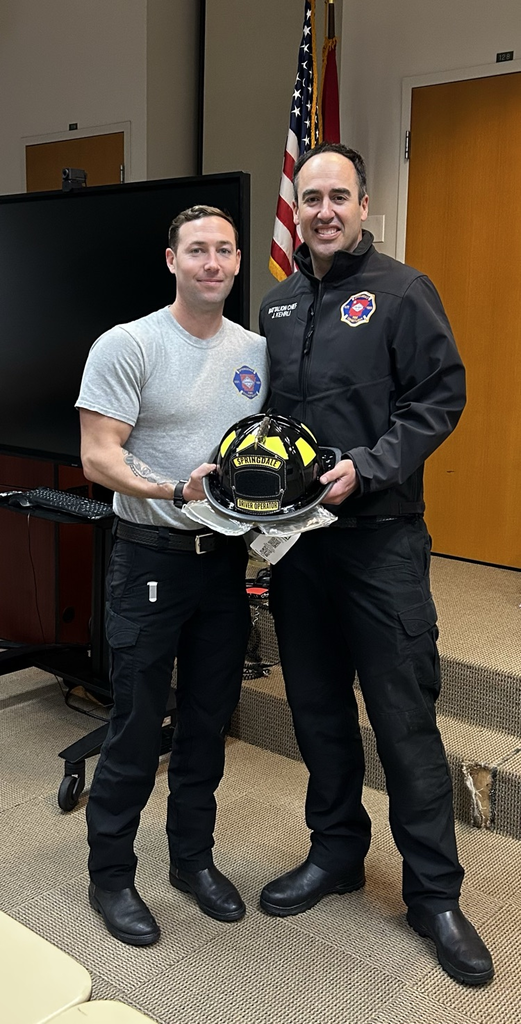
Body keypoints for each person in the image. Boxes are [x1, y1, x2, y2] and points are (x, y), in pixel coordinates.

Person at [258, 142, 493, 986]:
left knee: (402, 721)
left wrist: (371, 465)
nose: (323, 211)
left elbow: (438, 396)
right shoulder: (277, 305)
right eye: (310, 197)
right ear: (297, 209)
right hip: (300, 546)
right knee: (317, 711)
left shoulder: (402, 291)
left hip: (380, 542)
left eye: (338, 197)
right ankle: (335, 853)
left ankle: (433, 896)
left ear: (363, 205)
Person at [76, 205, 268, 946]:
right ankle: (111, 876)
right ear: (172, 261)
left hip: (223, 564)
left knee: (206, 723)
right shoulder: (129, 345)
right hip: (150, 558)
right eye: (196, 250)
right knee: (135, 724)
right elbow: (98, 456)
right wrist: (173, 491)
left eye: (224, 250)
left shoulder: (256, 351)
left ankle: (191, 860)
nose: (211, 263)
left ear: (238, 261)